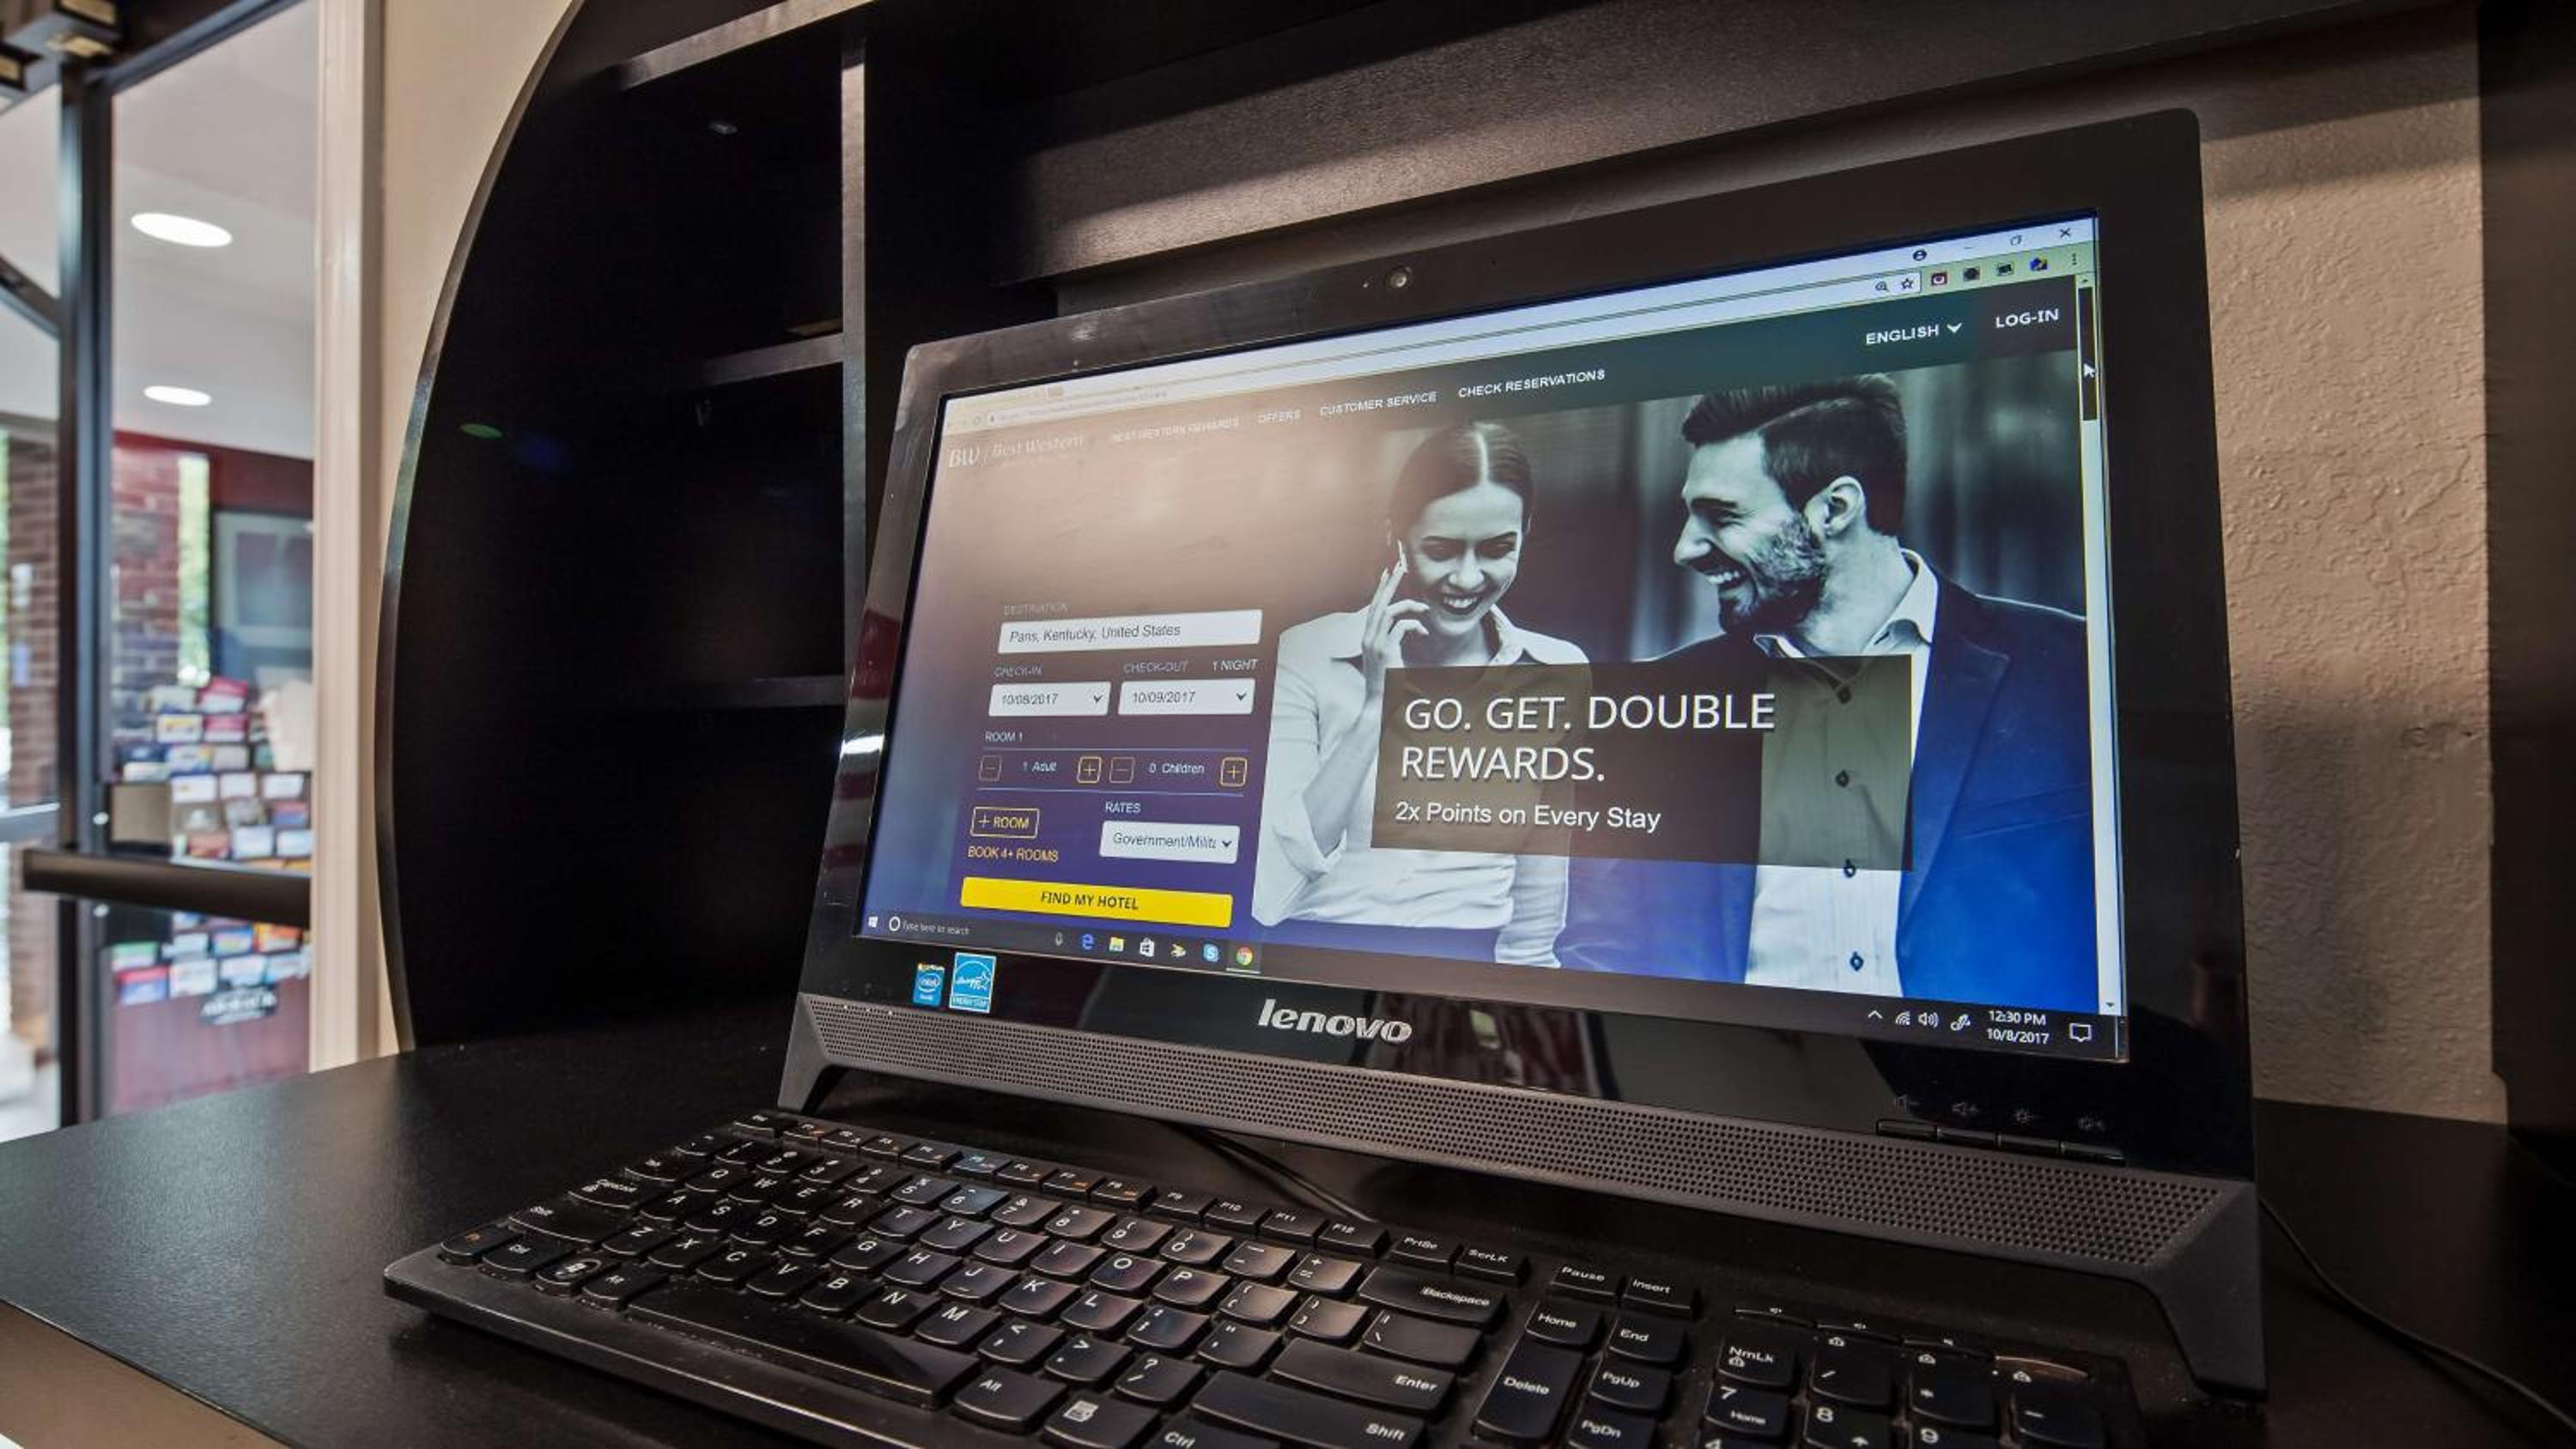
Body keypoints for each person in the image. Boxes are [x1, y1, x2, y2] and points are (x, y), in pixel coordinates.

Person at [1561, 376, 2099, 1011]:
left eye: (1722, 516)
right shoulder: (1654, 707)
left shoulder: (2071, 668)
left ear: (1835, 509)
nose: (1685, 549)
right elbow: (1602, 961)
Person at [1254, 421, 1585, 966]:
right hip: (1313, 960)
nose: (1468, 578)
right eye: (1442, 549)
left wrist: (1527, 991)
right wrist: (1377, 707)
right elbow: (1275, 885)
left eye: (1498, 549)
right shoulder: (1308, 653)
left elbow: (1540, 892)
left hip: (1464, 972)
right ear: (1398, 537)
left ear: (1527, 532)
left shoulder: (1557, 669)